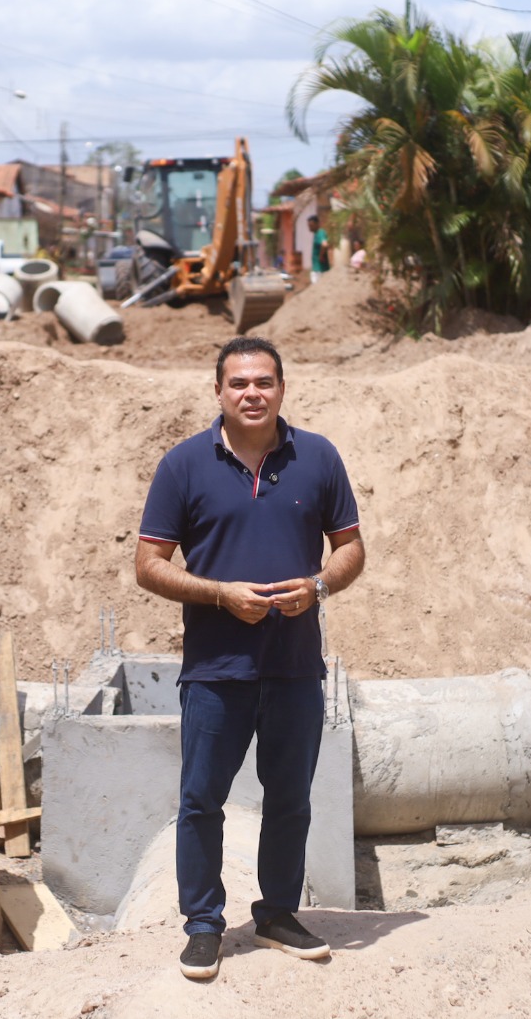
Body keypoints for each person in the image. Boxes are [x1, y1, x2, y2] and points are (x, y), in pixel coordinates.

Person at [135, 336, 365, 980]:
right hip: (215, 669)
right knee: (201, 801)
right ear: (219, 393)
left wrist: (317, 586)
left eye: (263, 382)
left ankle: (277, 916)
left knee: (290, 799)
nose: (251, 393)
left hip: (294, 666)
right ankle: (204, 926)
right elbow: (148, 566)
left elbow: (351, 549)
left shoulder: (318, 458)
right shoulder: (183, 465)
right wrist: (218, 594)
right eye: (238, 383)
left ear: (282, 389)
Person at [307, 214, 330, 284]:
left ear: (317, 224)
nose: (309, 227)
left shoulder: (320, 233)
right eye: (308, 226)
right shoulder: (316, 234)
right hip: (318, 269)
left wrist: (321, 256)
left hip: (320, 270)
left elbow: (325, 244)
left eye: (311, 225)